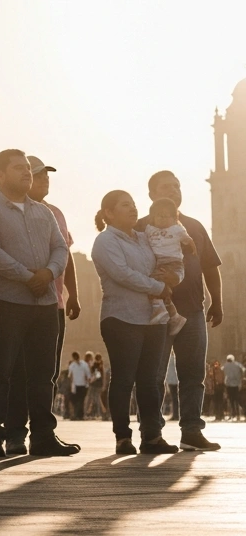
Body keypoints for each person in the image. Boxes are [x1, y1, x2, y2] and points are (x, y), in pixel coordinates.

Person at [89, 190, 180, 455]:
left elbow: (164, 257)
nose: (133, 209)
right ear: (108, 213)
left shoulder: (145, 238)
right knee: (124, 379)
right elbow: (122, 275)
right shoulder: (105, 241)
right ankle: (122, 437)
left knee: (150, 380)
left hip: (153, 318)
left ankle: (152, 436)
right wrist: (158, 286)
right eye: (125, 205)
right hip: (121, 318)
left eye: (134, 204)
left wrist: (172, 276)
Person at [139, 170, 224, 451]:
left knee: (193, 374)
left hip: (193, 311)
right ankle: (151, 433)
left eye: (177, 186)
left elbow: (210, 267)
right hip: (154, 312)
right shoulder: (140, 228)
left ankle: (191, 430)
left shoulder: (194, 227)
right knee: (154, 375)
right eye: (166, 187)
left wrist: (217, 301)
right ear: (151, 194)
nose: (173, 191)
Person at [5, 157, 81, 450]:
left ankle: (42, 433)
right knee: (18, 371)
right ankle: (14, 433)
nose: (45, 180)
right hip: (19, 303)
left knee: (46, 372)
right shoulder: (10, 211)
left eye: (47, 175)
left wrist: (72, 293)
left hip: (53, 303)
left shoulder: (55, 213)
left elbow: (66, 254)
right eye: (38, 175)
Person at [143, 199, 192, 336]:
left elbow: (209, 264)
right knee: (154, 286)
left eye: (167, 215)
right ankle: (170, 315)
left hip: (192, 305)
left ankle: (166, 314)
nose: (163, 218)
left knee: (155, 286)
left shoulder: (178, 228)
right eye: (160, 215)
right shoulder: (145, 227)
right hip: (158, 266)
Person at [66, 352, 91, 420]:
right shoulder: (72, 365)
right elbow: (70, 376)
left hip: (82, 385)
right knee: (76, 400)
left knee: (81, 400)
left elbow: (88, 375)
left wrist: (88, 382)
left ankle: (79, 415)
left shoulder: (83, 364)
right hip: (76, 385)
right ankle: (77, 415)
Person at [225, 355, 244, 420]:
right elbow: (243, 369)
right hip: (236, 386)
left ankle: (232, 415)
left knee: (230, 401)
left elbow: (222, 372)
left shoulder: (225, 365)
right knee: (237, 401)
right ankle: (238, 415)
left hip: (229, 386)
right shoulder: (237, 365)